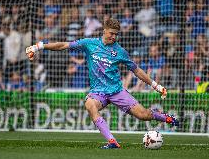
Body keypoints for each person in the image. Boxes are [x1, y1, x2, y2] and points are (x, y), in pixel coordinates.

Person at [26, 18, 179, 149]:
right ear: (104, 30)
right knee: (90, 104)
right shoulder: (90, 43)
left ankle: (166, 118)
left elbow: (136, 70)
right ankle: (112, 141)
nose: (114, 37)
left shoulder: (120, 51)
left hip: (116, 91)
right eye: (111, 33)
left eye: (116, 35)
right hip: (98, 92)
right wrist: (39, 46)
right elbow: (64, 45)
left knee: (144, 115)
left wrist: (156, 86)